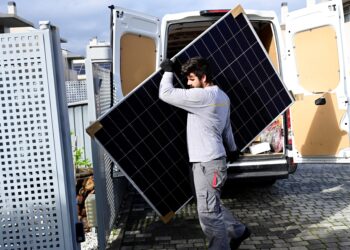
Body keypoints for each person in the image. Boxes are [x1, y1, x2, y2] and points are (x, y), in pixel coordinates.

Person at [159, 57, 251, 250]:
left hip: (207, 163)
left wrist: (168, 71)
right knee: (211, 205)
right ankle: (239, 231)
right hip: (213, 161)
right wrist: (232, 149)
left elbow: (165, 93)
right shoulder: (223, 97)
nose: (188, 84)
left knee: (208, 213)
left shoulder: (202, 97)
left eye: (191, 79)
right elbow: (227, 128)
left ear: (204, 77)